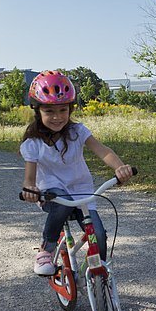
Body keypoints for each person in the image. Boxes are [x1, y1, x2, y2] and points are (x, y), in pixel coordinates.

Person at [20, 70, 133, 276]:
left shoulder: (77, 132)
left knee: (98, 237)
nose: (57, 117)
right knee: (61, 203)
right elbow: (30, 179)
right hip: (52, 193)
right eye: (49, 111)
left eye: (63, 110)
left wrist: (119, 166)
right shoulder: (33, 143)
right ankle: (47, 249)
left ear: (70, 109)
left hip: (82, 192)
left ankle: (99, 277)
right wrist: (30, 189)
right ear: (37, 111)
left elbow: (102, 150)